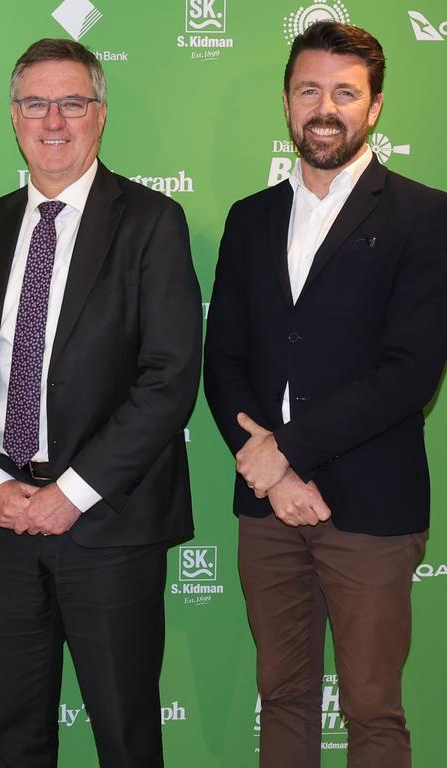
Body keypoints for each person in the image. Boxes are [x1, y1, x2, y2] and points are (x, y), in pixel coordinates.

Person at [0, 38, 202, 767]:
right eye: (34, 103)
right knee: (17, 733)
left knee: (124, 735)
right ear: (14, 117)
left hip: (109, 525)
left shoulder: (151, 222)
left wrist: (71, 493)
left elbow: (169, 376)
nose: (52, 119)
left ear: (100, 114)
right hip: (6, 526)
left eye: (72, 102)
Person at [204, 21, 447, 768]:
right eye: (309, 89)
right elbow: (224, 362)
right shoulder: (250, 219)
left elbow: (411, 373)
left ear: (374, 108)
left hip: (370, 510)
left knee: (373, 712)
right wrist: (270, 473)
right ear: (286, 102)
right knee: (282, 698)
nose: (325, 107)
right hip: (267, 510)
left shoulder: (425, 215)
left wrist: (287, 456)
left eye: (345, 92)